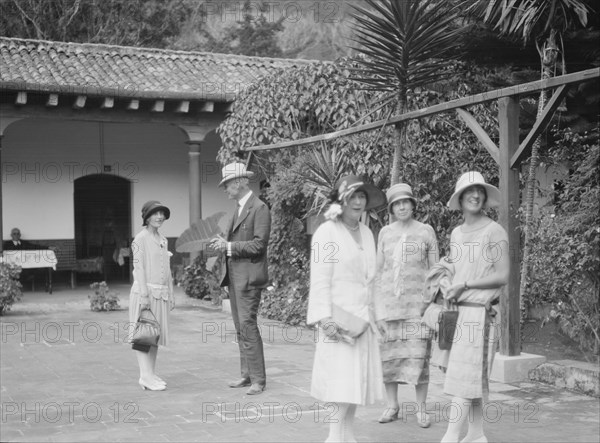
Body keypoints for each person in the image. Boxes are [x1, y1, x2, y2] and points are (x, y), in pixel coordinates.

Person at [307, 174, 386, 442]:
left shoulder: (366, 232)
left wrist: (378, 315)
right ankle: (334, 437)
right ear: (341, 200)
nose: (358, 201)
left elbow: (372, 280)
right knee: (339, 384)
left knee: (355, 385)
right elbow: (319, 280)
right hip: (338, 321)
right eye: (352, 196)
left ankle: (348, 436)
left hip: (363, 321)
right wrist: (323, 319)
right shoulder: (326, 232)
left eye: (362, 196)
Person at [440, 171, 510, 443]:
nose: (476, 195)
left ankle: (450, 437)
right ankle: (476, 434)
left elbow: (503, 275)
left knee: (464, 377)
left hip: (480, 314)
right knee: (471, 378)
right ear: (460, 198)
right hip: (456, 312)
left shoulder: (495, 231)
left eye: (479, 191)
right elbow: (455, 268)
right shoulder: (456, 233)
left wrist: (465, 285)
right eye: (469, 191)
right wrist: (447, 281)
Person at [373, 183, 439, 428]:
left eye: (405, 202)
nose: (402, 207)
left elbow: (436, 271)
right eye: (396, 203)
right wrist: (377, 308)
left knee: (419, 360)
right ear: (391, 208)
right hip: (390, 308)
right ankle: (392, 405)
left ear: (413, 204)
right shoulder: (385, 233)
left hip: (417, 309)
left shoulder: (426, 231)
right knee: (389, 359)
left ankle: (421, 409)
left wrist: (431, 304)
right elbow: (379, 272)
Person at [210, 162, 271, 396]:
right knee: (240, 327)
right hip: (237, 277)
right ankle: (247, 375)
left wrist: (229, 247)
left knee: (247, 325)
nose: (225, 189)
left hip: (249, 277)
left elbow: (259, 244)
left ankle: (258, 379)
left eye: (227, 184)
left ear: (238, 183)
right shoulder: (239, 208)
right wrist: (225, 246)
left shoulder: (259, 208)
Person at [128, 200, 174, 391]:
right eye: (155, 213)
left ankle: (150, 374)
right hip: (145, 292)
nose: (159, 217)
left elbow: (168, 269)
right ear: (147, 217)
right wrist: (145, 295)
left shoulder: (163, 239)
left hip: (161, 294)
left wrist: (171, 293)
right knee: (143, 335)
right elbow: (138, 266)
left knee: (154, 335)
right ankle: (144, 376)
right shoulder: (140, 238)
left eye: (162, 213)